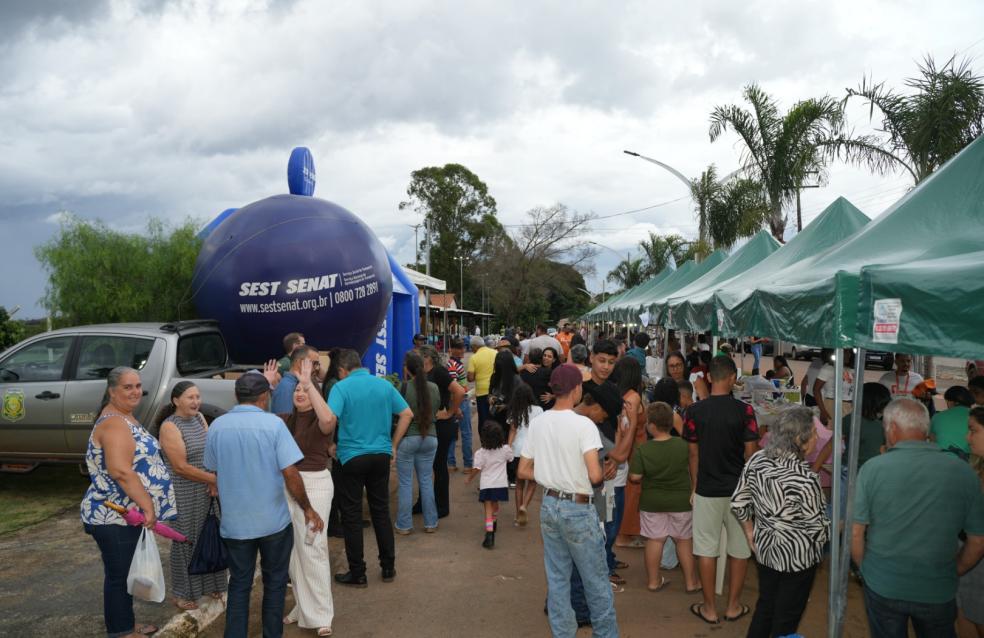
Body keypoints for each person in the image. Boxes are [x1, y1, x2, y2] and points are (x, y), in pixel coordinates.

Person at [204, 370, 323, 638]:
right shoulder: (274, 425)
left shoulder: (217, 426)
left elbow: (213, 470)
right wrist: (307, 508)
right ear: (264, 396)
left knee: (239, 585)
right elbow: (290, 473)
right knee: (275, 584)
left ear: (237, 395)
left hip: (235, 524)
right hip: (273, 523)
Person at [852, 398, 984, 638]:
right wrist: (954, 570)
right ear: (925, 429)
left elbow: (855, 532)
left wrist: (867, 571)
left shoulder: (872, 469)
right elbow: (977, 540)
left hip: (884, 583)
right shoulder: (963, 471)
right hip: (937, 588)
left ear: (891, 429)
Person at [517, 365, 619, 637]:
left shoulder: (539, 422)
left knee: (558, 578)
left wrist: (553, 473)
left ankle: (563, 633)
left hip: (550, 506)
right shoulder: (583, 424)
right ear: (576, 389)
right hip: (578, 508)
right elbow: (596, 475)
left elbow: (523, 470)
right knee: (595, 580)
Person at [81, 367, 178, 638]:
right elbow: (121, 471)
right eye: (128, 387)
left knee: (123, 574)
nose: (135, 391)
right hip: (114, 516)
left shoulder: (124, 417)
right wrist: (148, 505)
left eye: (138, 386)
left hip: (125, 514)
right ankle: (121, 632)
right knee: (119, 576)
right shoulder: (113, 423)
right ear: (112, 391)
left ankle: (126, 623)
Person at [732, 406, 829, 637]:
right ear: (800, 439)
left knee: (766, 605)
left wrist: (749, 532)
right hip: (798, 558)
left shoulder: (758, 459)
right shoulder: (806, 479)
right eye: (814, 433)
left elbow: (738, 502)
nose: (817, 438)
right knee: (787, 617)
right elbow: (818, 530)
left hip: (765, 549)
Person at [320, 349, 413, 587]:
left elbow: (329, 420)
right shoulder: (383, 386)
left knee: (351, 515)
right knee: (381, 511)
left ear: (341, 370)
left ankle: (358, 572)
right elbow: (406, 413)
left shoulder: (341, 388)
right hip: (380, 455)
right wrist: (393, 445)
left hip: (350, 457)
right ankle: (388, 567)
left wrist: (330, 445)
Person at [683, 355, 758, 624]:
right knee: (739, 551)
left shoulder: (694, 412)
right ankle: (733, 607)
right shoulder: (745, 412)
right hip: (739, 490)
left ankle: (710, 608)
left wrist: (694, 486)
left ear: (708, 378)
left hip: (706, 489)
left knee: (706, 549)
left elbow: (693, 454)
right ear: (733, 378)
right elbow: (751, 454)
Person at [272, 359, 336, 636]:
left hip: (316, 485)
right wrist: (269, 384)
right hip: (288, 485)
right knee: (294, 552)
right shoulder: (285, 420)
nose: (299, 393)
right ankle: (303, 606)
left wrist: (310, 384)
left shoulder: (323, 421)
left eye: (305, 390)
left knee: (313, 548)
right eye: (297, 389)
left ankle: (322, 615)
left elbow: (328, 419)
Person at [157, 381, 225, 611]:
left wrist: (213, 478)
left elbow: (213, 450)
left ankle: (210, 584)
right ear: (176, 401)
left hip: (207, 488)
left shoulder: (199, 419)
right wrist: (214, 480)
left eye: (198, 397)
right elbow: (180, 467)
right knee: (185, 540)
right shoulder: (169, 426)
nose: (196, 402)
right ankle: (182, 592)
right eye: (190, 397)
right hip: (184, 490)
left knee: (210, 534)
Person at [629, 402, 699, 594]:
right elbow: (693, 463)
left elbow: (635, 478)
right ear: (671, 423)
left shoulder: (644, 449)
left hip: (652, 502)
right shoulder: (683, 445)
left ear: (650, 425)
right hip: (681, 501)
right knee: (683, 540)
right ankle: (691, 582)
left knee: (655, 540)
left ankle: (653, 581)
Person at [811, 383, 891, 518]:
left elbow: (884, 450)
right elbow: (831, 445)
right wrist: (815, 469)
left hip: (872, 475)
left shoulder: (885, 423)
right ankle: (827, 533)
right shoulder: (851, 420)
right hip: (849, 473)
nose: (886, 408)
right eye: (883, 404)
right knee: (839, 510)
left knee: (862, 513)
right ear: (873, 403)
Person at [393, 351, 440, 535]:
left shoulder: (402, 388)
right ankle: (431, 523)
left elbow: (397, 414)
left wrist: (394, 445)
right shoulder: (434, 388)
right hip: (430, 437)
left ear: (407, 369)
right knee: (426, 481)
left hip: (407, 438)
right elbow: (436, 410)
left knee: (405, 483)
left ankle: (404, 525)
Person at [417, 345, 465, 518]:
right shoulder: (423, 374)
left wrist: (451, 412)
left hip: (442, 425)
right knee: (425, 466)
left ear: (427, 358)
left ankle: (442, 506)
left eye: (418, 356)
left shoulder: (439, 372)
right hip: (429, 425)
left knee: (439, 466)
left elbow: (459, 391)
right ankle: (423, 502)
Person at [612, 356, 647, 564]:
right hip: (634, 448)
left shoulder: (621, 393)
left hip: (631, 447)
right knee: (632, 491)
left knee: (628, 491)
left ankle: (624, 532)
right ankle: (624, 534)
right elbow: (626, 427)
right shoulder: (633, 397)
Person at [466, 422, 514, 548]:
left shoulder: (480, 453)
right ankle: (494, 520)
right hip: (500, 484)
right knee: (495, 505)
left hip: (487, 485)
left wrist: (469, 478)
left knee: (487, 509)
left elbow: (476, 468)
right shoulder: (505, 450)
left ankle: (489, 534)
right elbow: (511, 459)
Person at [959, 407, 984, 636]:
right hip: (970, 551)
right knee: (965, 610)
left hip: (976, 555)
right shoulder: (977, 466)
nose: (968, 437)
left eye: (973, 430)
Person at [506, 382, 543, 525]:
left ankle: (517, 515)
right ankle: (524, 506)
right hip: (534, 451)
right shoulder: (539, 410)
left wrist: (508, 449)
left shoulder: (514, 410)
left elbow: (512, 431)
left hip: (517, 451)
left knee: (519, 483)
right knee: (532, 482)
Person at [446, 338, 474, 473]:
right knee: (466, 434)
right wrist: (456, 408)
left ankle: (451, 464)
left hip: (457, 402)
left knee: (452, 434)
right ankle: (468, 465)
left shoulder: (455, 364)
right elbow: (453, 389)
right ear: (454, 350)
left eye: (464, 348)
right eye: (461, 348)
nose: (464, 351)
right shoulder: (453, 366)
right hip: (460, 402)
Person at [271, 345, 322, 414]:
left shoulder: (293, 384)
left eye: (318, 364)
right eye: (315, 363)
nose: (317, 368)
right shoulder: (287, 387)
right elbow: (287, 422)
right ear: (299, 363)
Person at [814, 349, 856, 425]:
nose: (849, 355)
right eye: (846, 352)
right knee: (833, 434)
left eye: (850, 352)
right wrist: (823, 411)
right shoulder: (828, 368)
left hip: (850, 407)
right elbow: (816, 390)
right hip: (833, 406)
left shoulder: (852, 369)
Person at [930, 385, 975, 456]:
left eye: (947, 401)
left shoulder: (938, 416)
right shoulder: (977, 416)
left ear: (952, 402)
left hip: (943, 458)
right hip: (970, 460)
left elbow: (932, 441)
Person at [467, 335, 497, 437]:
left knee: (483, 418)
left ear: (475, 346)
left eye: (471, 347)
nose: (471, 350)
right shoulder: (495, 353)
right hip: (495, 391)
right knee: (494, 416)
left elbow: (470, 378)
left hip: (481, 393)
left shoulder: (474, 357)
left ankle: (485, 442)